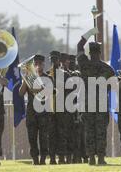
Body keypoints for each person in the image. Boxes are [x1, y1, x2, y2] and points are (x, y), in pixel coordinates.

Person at [77, 29, 115, 165]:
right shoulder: (108, 69)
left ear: (89, 53)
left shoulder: (83, 64)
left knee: (89, 130)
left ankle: (91, 157)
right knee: (101, 131)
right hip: (101, 103)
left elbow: (79, 46)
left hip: (88, 103)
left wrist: (89, 33)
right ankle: (100, 157)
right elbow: (112, 86)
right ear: (99, 52)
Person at [19, 54, 50, 165]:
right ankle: (35, 158)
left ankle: (43, 159)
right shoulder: (29, 78)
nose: (37, 66)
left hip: (43, 113)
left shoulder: (48, 78)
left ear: (43, 65)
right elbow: (21, 93)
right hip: (31, 112)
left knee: (43, 137)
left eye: (39, 64)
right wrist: (25, 80)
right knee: (32, 137)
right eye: (35, 64)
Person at [46, 50, 70, 164]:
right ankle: (51, 158)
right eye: (52, 60)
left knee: (62, 134)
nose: (53, 62)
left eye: (55, 59)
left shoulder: (65, 75)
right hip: (50, 109)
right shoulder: (46, 75)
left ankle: (61, 157)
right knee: (51, 134)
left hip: (62, 109)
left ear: (59, 61)